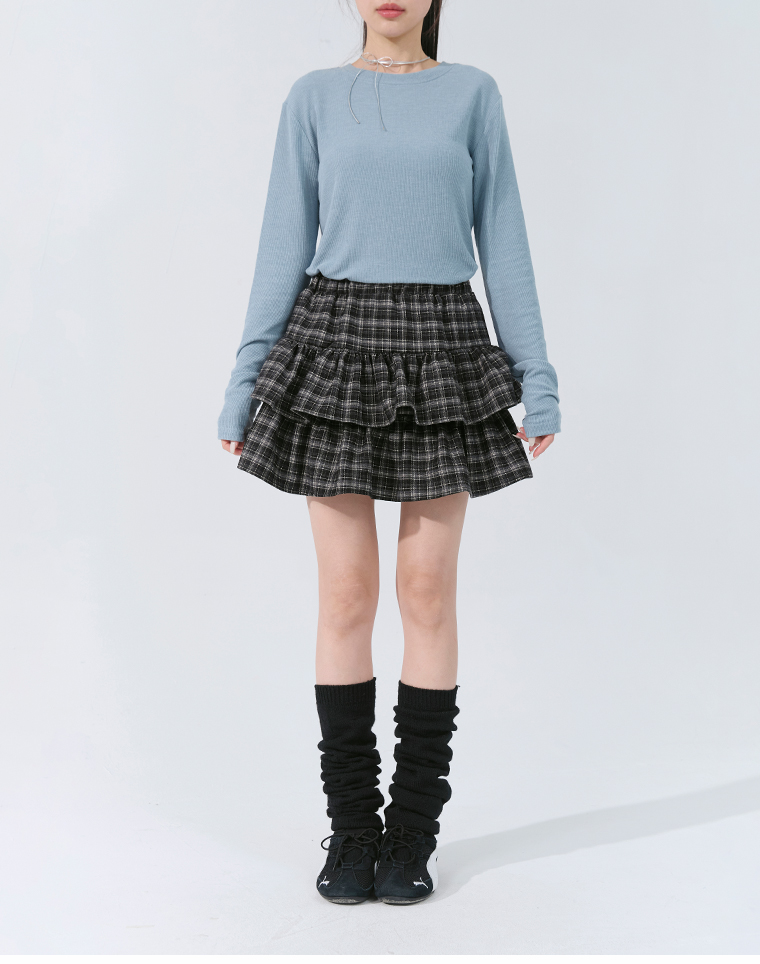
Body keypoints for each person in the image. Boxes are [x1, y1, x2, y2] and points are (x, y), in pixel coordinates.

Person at [217, 0, 560, 905]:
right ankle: (352, 829)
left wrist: (536, 372)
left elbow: (504, 237)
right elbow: (282, 240)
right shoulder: (314, 97)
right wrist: (246, 378)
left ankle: (412, 832)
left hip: (443, 342)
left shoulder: (472, 94)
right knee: (345, 594)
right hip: (333, 341)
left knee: (425, 591)